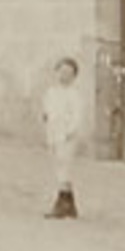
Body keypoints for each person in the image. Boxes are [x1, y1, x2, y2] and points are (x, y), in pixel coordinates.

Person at [41, 57, 83, 219]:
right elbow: (47, 111)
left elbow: (77, 118)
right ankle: (70, 206)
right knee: (58, 168)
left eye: (69, 73)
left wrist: (68, 133)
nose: (64, 76)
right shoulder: (51, 92)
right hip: (53, 133)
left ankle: (61, 204)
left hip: (66, 136)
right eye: (62, 72)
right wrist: (48, 122)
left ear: (74, 76)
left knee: (64, 169)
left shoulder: (74, 95)